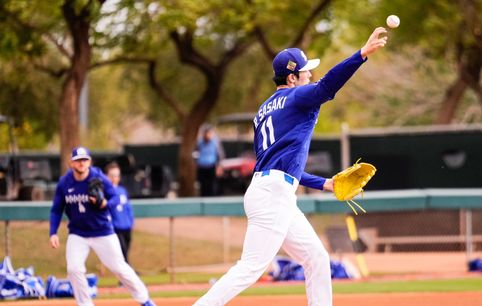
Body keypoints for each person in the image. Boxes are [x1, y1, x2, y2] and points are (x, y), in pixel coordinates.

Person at [193, 27, 388, 306]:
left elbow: (280, 166)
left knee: (316, 258)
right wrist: (361, 55)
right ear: (292, 77)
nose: (310, 76)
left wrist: (325, 183)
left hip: (272, 189)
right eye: (306, 72)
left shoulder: (263, 111)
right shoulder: (297, 97)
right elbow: (327, 87)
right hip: (274, 194)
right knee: (250, 268)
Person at [49, 146, 155, 306]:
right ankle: (85, 304)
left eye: (84, 160)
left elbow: (115, 197)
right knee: (74, 269)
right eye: (78, 160)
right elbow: (56, 210)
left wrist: (105, 203)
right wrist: (53, 232)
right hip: (78, 233)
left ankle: (145, 300)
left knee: (119, 268)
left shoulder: (98, 177)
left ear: (89, 161)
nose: (81, 163)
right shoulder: (64, 183)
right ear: (71, 163)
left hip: (103, 232)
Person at [104, 161, 134, 264]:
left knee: (126, 250)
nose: (114, 178)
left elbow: (128, 208)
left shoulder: (122, 190)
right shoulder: (104, 192)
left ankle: (127, 272)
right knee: (122, 251)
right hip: (115, 228)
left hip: (126, 226)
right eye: (111, 175)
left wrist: (131, 221)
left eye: (116, 176)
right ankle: (129, 272)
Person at [196, 124, 224, 196]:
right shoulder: (199, 142)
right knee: (203, 187)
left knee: (212, 187)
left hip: (212, 167)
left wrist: (219, 167)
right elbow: (195, 153)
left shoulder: (215, 142)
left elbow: (220, 155)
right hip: (202, 168)